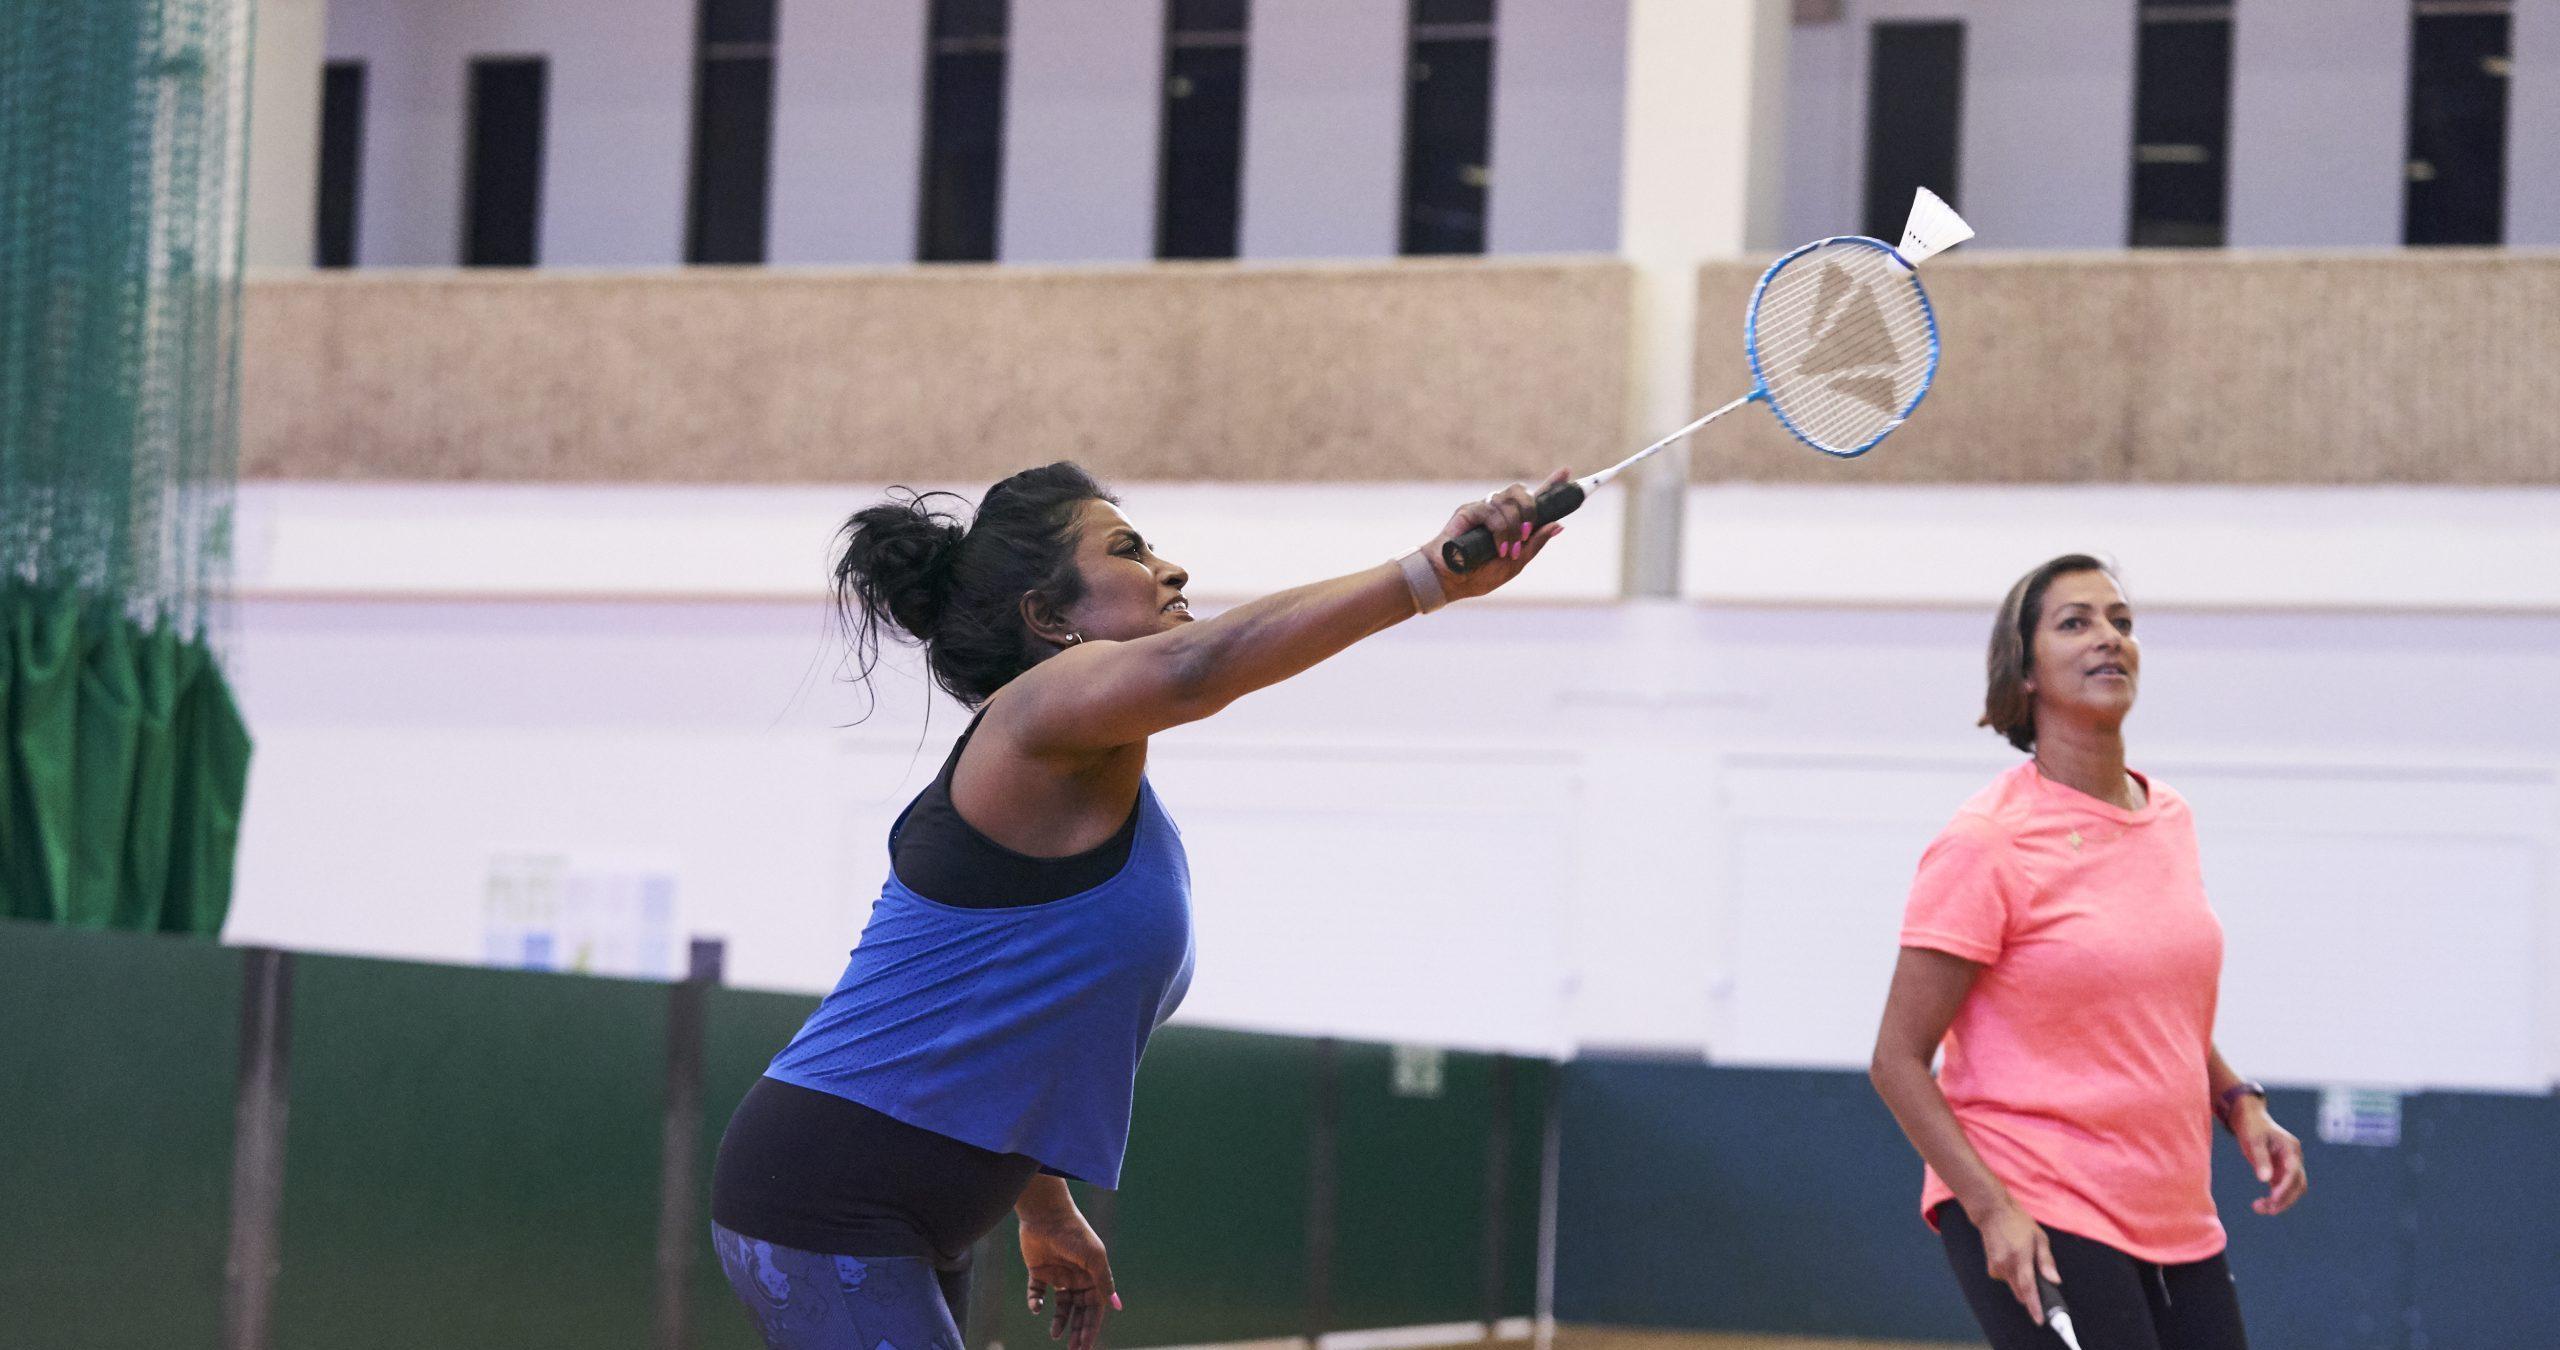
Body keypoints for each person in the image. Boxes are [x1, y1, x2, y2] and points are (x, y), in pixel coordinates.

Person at [709, 461, 1567, 1350]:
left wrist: (1042, 1203)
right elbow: (1203, 665)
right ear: (1048, 618)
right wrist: (1429, 576)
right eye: (1129, 550)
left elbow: (1020, 1028)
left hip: (902, 1213)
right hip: (823, 1200)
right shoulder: (1031, 716)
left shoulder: (1092, 780)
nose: (1171, 568)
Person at [1868, 554, 2308, 1350]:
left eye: (2121, 622)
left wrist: (2238, 1099)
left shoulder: (2169, 816)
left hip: (2175, 1212)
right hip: (2039, 1202)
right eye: (2076, 623)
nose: (2108, 638)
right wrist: (1990, 1208)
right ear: (2024, 672)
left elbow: (2148, 1000)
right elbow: (1897, 1059)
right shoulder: (1987, 843)